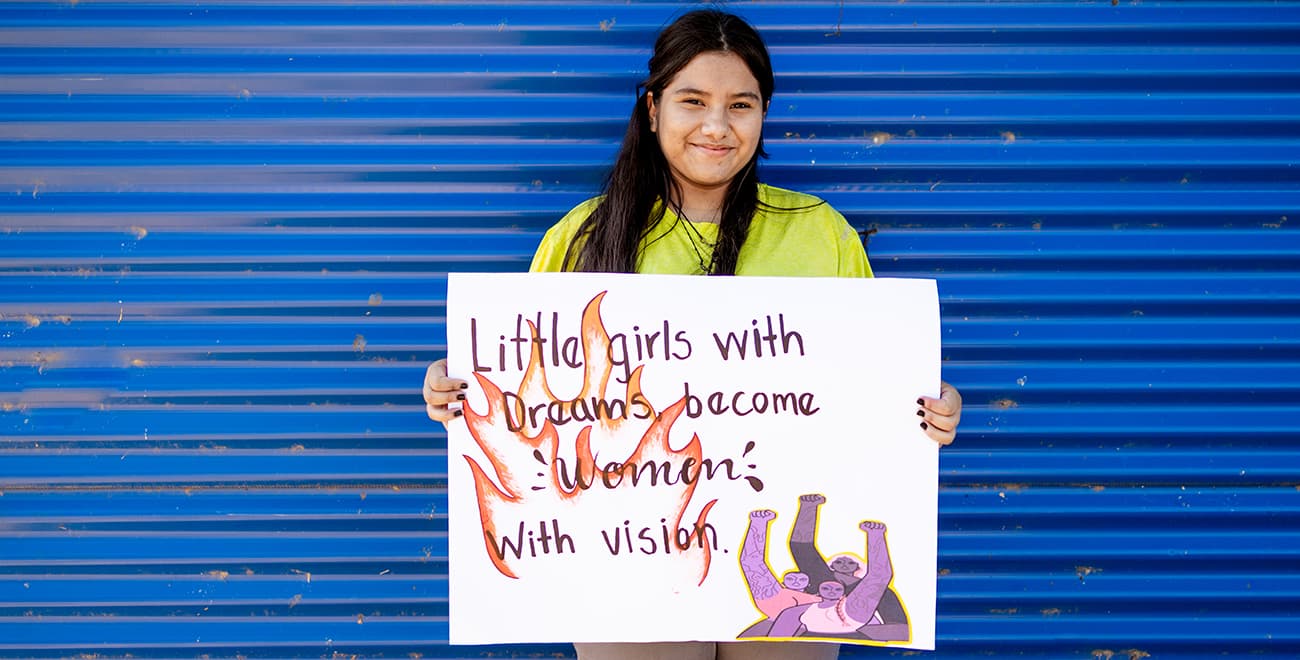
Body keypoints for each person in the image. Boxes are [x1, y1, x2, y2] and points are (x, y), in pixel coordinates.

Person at [423, 9, 962, 660]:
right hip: (624, 559)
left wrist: (927, 410)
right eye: (693, 101)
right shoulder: (581, 238)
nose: (717, 126)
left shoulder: (822, 234)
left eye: (741, 105)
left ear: (763, 114)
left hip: (785, 570)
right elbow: (529, 397)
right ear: (653, 109)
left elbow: (868, 383)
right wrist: (460, 392)